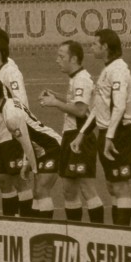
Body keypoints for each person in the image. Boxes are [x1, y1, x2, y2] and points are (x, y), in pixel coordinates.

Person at [70, 29, 131, 226]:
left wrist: (109, 137)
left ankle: (122, 237)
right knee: (111, 186)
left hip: (119, 134)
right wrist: (82, 134)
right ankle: (117, 233)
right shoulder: (108, 69)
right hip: (108, 132)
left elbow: (120, 106)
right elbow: (99, 108)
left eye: (95, 44)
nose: (91, 47)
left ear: (105, 47)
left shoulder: (117, 71)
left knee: (120, 187)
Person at [39, 40, 104, 223]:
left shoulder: (82, 79)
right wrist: (57, 96)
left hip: (80, 136)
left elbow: (81, 110)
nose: (57, 60)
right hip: (70, 135)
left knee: (86, 188)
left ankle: (98, 233)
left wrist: (55, 103)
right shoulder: (76, 78)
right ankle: (75, 232)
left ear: (74, 59)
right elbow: (75, 101)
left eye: (61, 56)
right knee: (68, 188)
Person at [0, 27, 33, 216]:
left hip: (13, 134)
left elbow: (22, 106)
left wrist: (23, 140)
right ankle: (10, 222)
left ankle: (27, 224)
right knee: (3, 180)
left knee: (20, 180)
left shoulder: (11, 73)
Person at [0, 78, 39, 187]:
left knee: (22, 183)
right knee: (4, 181)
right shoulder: (8, 105)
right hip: (0, 136)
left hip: (12, 139)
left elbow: (27, 143)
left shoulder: (11, 116)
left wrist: (33, 168)